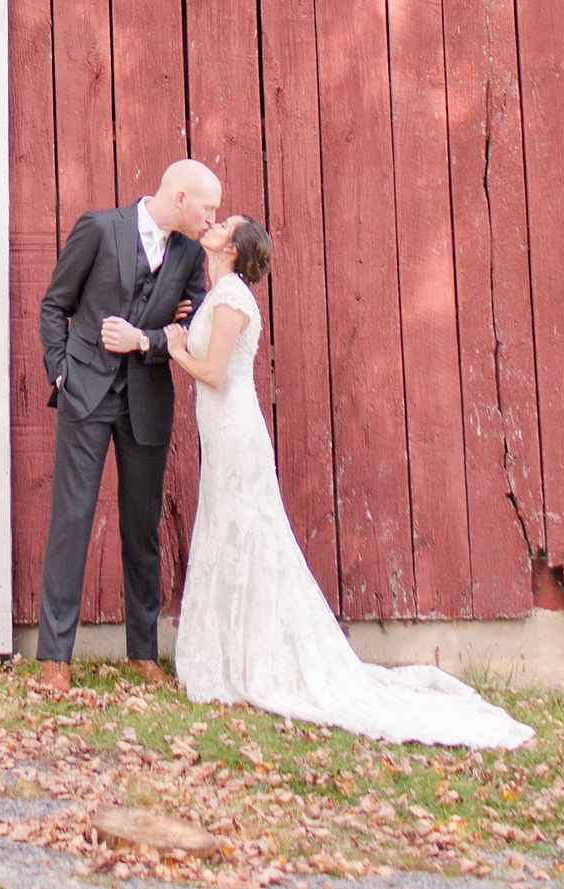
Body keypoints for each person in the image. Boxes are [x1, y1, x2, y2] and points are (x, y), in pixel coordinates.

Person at [167, 214, 533, 747]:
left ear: (234, 248)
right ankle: (232, 652)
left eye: (225, 225)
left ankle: (251, 661)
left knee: (245, 532)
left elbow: (215, 373)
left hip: (234, 430)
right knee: (231, 530)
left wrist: (179, 350)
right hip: (224, 432)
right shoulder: (220, 294)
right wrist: (187, 321)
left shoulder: (230, 299)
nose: (216, 224)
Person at [35, 158, 221, 692]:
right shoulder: (100, 228)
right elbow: (55, 305)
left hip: (146, 398)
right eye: (207, 208)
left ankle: (143, 653)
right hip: (87, 394)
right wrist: (62, 372)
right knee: (71, 520)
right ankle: (55, 658)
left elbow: (194, 328)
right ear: (181, 198)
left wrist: (150, 339)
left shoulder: (188, 254)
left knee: (141, 529)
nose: (212, 219)